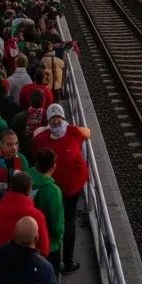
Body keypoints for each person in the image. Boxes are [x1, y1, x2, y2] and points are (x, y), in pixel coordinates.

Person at [31, 104, 89, 273]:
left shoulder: (40, 138)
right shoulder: (73, 132)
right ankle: (68, 261)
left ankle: (47, 255)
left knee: (49, 220)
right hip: (72, 187)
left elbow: (35, 151)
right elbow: (88, 133)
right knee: (69, 222)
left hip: (50, 187)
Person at [0, 170, 50, 256]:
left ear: (10, 187)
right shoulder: (36, 216)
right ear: (29, 190)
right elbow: (44, 249)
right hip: (27, 265)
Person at [29, 147, 65, 272]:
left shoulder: (26, 177)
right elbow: (56, 224)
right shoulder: (53, 191)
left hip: (28, 240)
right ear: (53, 167)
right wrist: (59, 237)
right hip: (50, 245)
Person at [0, 128, 32, 207]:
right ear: (1, 144)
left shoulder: (22, 159)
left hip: (17, 203)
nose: (14, 148)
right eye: (9, 144)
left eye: (16, 143)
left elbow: (28, 184)